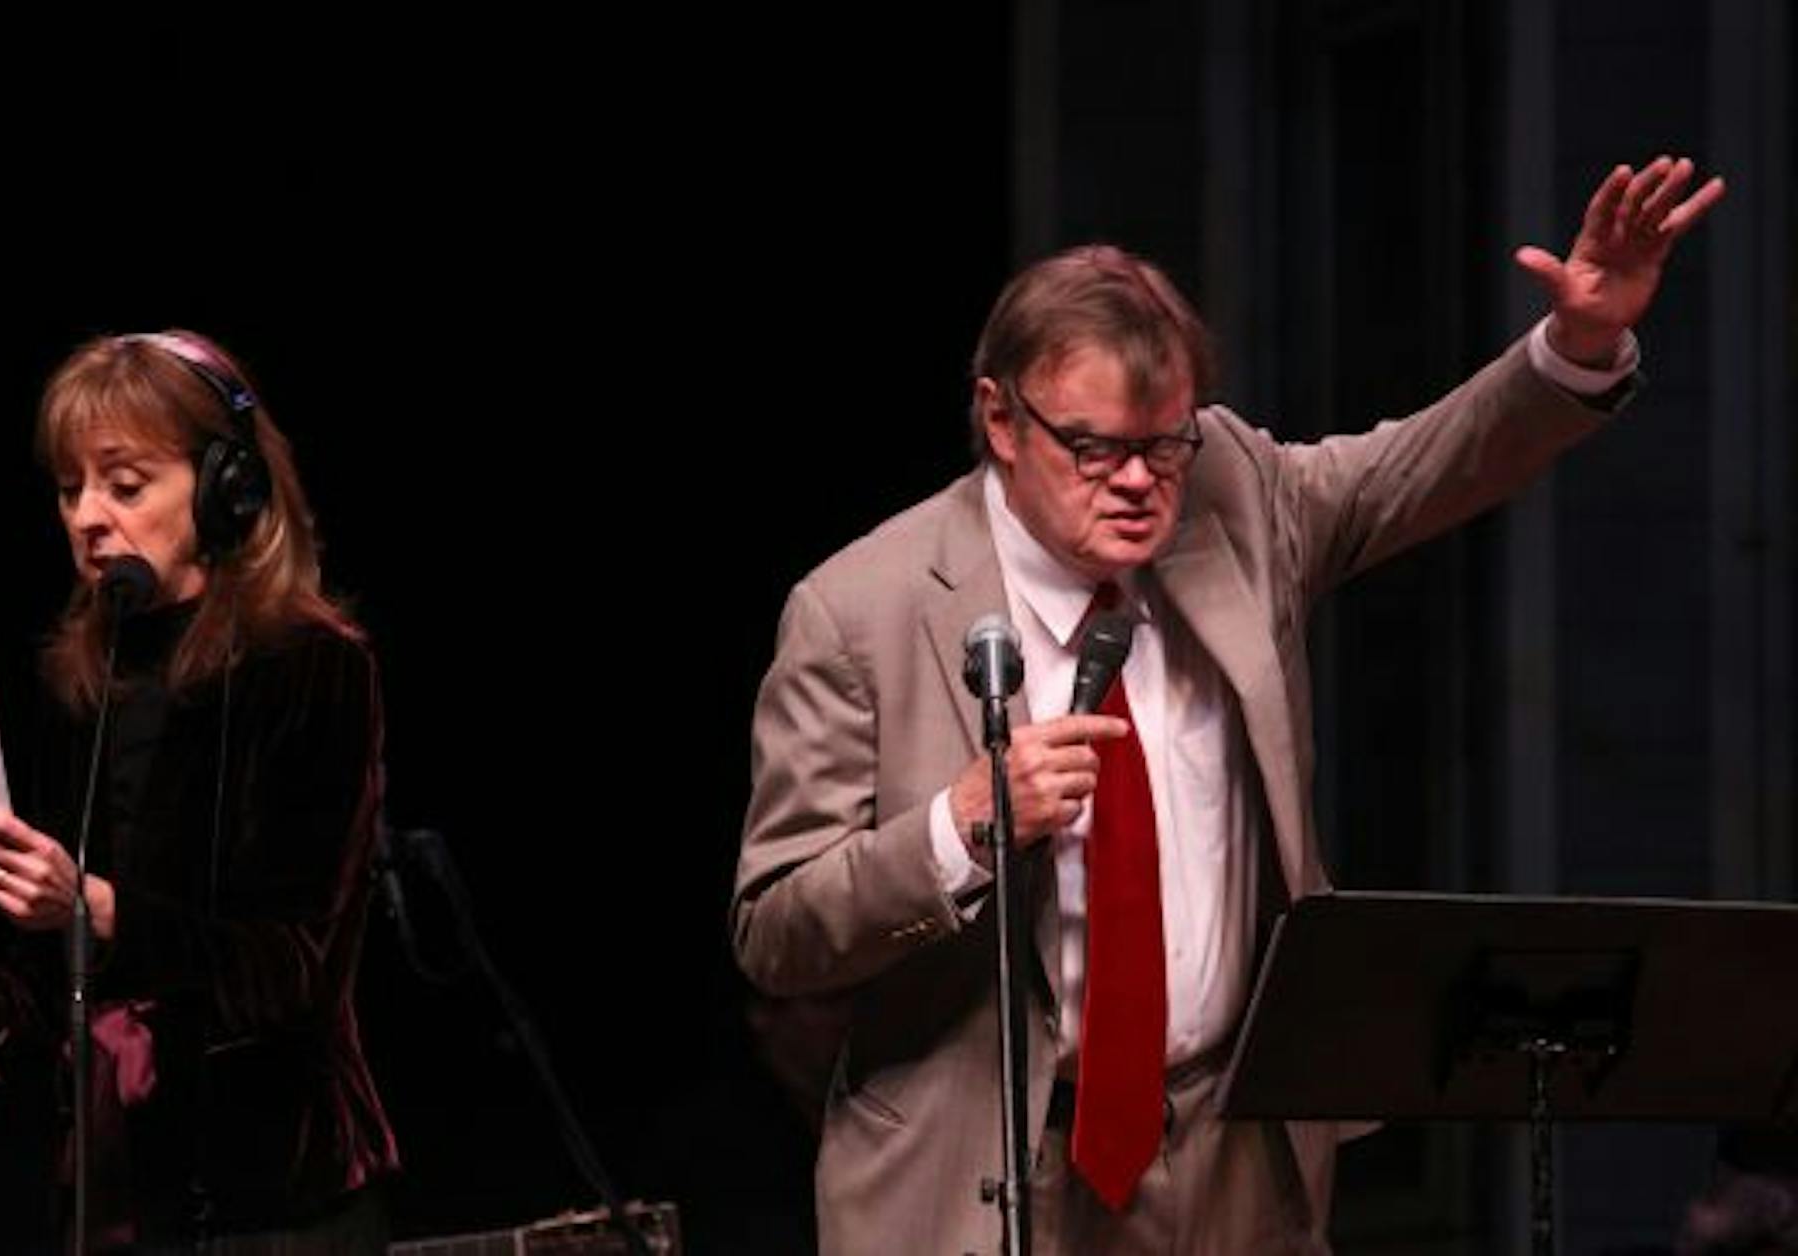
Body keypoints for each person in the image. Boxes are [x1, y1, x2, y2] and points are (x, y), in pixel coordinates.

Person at [732, 156, 1723, 1254]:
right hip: (987, 1169)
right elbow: (776, 932)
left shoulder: (1234, 492)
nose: (1138, 481)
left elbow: (1424, 465)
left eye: (1165, 443)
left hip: (1230, 1154)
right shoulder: (858, 611)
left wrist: (1577, 343)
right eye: (1094, 448)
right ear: (1000, 419)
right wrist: (958, 827)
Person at [0, 330, 396, 1254]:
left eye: (125, 485)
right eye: (69, 488)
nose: (89, 516)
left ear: (229, 488)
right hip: (118, 1193)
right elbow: (49, 989)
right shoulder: (80, 680)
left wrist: (94, 907)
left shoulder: (313, 669)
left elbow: (294, 970)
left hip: (276, 1201)